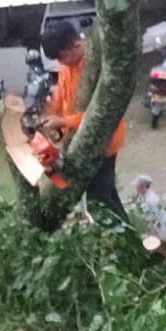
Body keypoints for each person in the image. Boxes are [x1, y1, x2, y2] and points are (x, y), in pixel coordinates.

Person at [40, 20, 130, 222]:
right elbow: (62, 100)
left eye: (61, 57)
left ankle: (123, 240)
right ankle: (129, 236)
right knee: (106, 194)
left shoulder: (97, 68)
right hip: (78, 137)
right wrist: (50, 118)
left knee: (99, 200)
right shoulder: (66, 68)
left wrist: (62, 122)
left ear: (75, 46)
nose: (60, 63)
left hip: (102, 140)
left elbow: (99, 112)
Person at [133, 174, 166, 239]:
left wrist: (152, 234)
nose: (136, 188)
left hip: (161, 230)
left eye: (137, 186)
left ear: (143, 186)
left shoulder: (151, 201)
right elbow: (139, 202)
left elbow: (154, 220)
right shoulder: (143, 195)